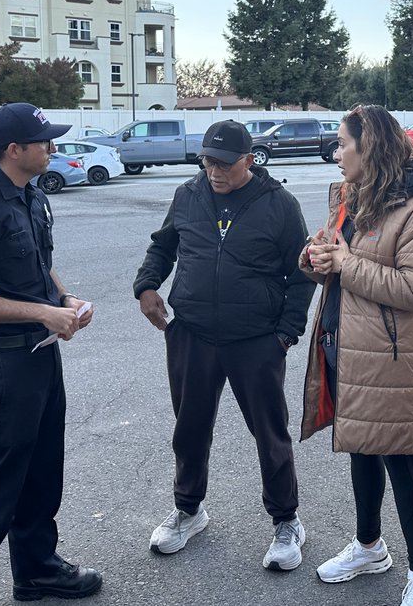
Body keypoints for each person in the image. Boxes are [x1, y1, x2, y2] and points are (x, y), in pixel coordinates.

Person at [133, 120, 315, 571]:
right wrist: (147, 286)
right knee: (190, 429)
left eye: (225, 164)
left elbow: (303, 272)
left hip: (255, 339)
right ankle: (188, 510)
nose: (214, 172)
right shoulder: (188, 195)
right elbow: (162, 248)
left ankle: (287, 520)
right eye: (207, 162)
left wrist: (285, 334)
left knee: (270, 433)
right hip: (192, 334)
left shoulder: (279, 204)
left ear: (248, 160)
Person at [0, 102, 100, 606]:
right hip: (5, 363)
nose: (52, 147)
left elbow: (38, 264)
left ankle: (36, 571)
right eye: (44, 141)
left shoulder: (32, 196)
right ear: (14, 150)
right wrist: (41, 313)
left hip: (41, 356)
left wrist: (65, 300)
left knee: (42, 471)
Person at [300, 104, 413, 606]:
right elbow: (334, 258)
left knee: (400, 460)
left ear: (371, 148)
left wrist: (346, 263)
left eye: (343, 144)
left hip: (391, 358)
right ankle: (369, 547)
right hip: (344, 346)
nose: (336, 153)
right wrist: (316, 257)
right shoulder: (353, 195)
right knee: (360, 447)